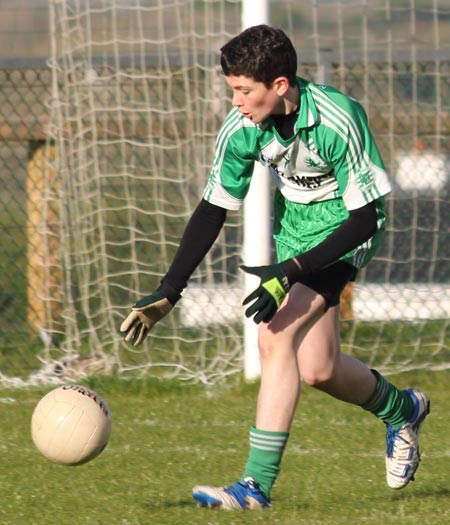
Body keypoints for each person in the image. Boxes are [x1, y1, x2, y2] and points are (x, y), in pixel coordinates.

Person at [120, 24, 430, 510]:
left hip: (348, 230)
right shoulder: (242, 126)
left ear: (279, 86)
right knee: (318, 370)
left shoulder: (337, 117)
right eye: (233, 90)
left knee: (274, 336)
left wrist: (289, 271)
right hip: (296, 234)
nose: (236, 101)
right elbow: (213, 207)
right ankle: (404, 409)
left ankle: (254, 487)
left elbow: (366, 215)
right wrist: (169, 290)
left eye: (244, 90)